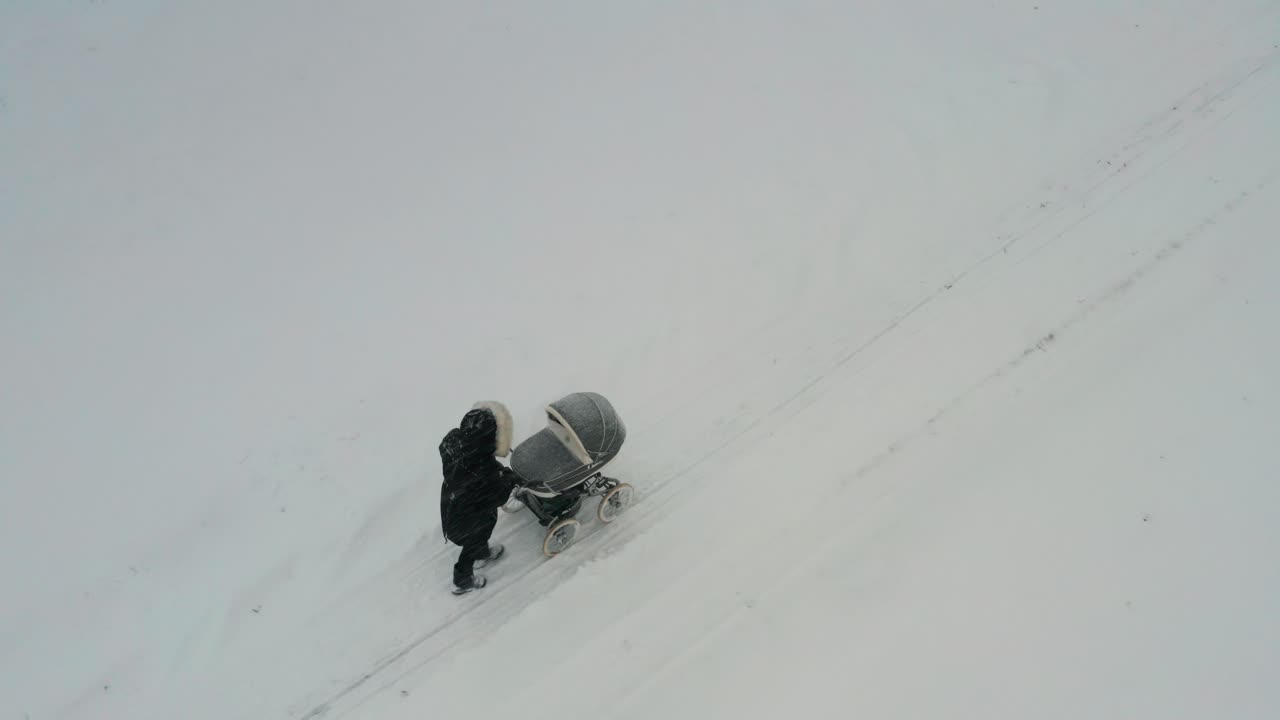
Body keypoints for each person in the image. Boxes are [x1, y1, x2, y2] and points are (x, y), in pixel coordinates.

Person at [439, 401, 518, 595]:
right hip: (467, 518)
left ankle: (483, 553)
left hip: (454, 505)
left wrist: (502, 472)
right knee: (473, 542)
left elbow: (486, 465)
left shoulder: (462, 449)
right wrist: (509, 481)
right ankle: (462, 580)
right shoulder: (479, 471)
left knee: (480, 533)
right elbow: (496, 497)